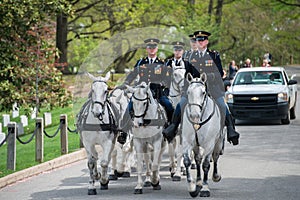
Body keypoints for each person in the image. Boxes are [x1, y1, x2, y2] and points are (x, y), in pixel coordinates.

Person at [163, 31, 240, 146]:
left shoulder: (214, 55)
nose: (199, 42)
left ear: (206, 42)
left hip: (211, 88)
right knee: (180, 104)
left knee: (223, 106)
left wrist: (209, 77)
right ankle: (173, 128)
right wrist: (186, 87)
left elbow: (219, 72)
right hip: (194, 88)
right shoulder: (191, 56)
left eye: (202, 40)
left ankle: (230, 130)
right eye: (198, 40)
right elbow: (187, 74)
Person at [119, 38, 174, 137]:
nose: (152, 49)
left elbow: (168, 79)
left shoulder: (162, 63)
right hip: (141, 92)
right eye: (150, 47)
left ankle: (170, 129)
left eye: (154, 47)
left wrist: (164, 87)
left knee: (168, 105)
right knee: (130, 106)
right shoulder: (141, 62)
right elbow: (133, 74)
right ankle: (124, 132)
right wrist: (126, 82)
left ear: (157, 49)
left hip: (157, 92)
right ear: (147, 49)